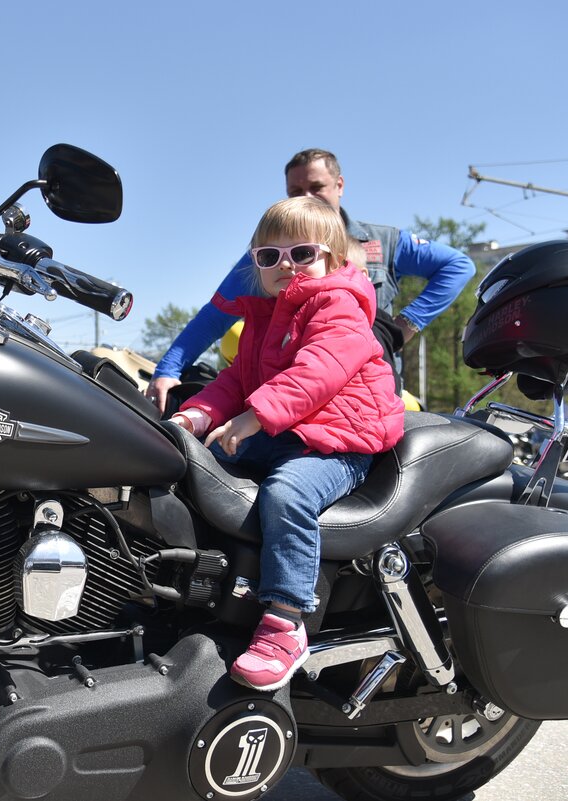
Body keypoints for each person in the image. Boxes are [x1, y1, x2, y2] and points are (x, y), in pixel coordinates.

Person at [170, 196, 404, 690]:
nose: (286, 265)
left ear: (332, 259)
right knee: (191, 464)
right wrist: (195, 415)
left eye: (302, 253)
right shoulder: (263, 316)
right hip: (285, 431)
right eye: (269, 256)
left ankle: (285, 622)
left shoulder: (339, 305)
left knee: (287, 493)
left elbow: (318, 371)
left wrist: (254, 417)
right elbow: (236, 379)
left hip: (339, 440)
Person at [147, 148, 475, 414]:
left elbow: (458, 266)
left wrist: (407, 325)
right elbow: (216, 315)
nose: (307, 196)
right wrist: (168, 371)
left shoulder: (383, 241)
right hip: (284, 395)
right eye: (295, 191)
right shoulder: (268, 254)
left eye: (317, 187)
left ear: (339, 185)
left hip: (362, 398)